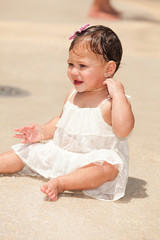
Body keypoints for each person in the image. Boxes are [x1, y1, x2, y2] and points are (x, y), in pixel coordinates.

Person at [0, 25, 135, 202]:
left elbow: (123, 130)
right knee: (26, 151)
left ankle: (61, 183)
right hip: (61, 155)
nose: (74, 71)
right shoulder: (72, 95)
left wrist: (118, 95)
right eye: (70, 64)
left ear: (108, 69)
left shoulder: (111, 103)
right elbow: (62, 121)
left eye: (82, 66)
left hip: (89, 164)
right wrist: (43, 131)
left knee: (108, 168)